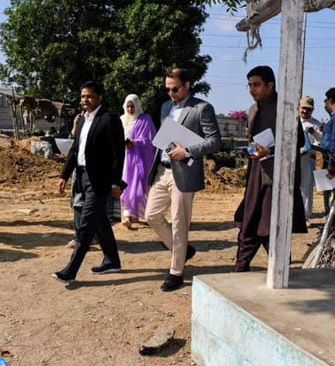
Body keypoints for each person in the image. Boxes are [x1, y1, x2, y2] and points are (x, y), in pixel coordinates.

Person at [145, 68, 222, 292]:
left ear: (187, 85)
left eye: (175, 88)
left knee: (180, 223)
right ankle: (183, 251)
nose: (171, 93)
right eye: (167, 88)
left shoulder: (202, 108)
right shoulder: (166, 107)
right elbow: (166, 135)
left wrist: (187, 151)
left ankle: (176, 273)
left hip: (184, 171)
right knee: (151, 215)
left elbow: (215, 141)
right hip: (162, 170)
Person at [233, 66, 307, 272]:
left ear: (270, 85)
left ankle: (280, 267)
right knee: (249, 222)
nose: (252, 89)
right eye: (250, 85)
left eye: (256, 85)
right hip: (257, 173)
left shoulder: (285, 109)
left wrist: (270, 150)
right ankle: (242, 266)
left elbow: (297, 140)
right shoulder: (254, 110)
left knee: (268, 226)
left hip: (277, 177)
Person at [53, 81, 126, 283]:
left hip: (100, 180)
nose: (85, 100)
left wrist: (116, 182)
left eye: (90, 96)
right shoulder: (83, 120)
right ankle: (112, 260)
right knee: (100, 221)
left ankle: (71, 270)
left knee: (85, 226)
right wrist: (64, 176)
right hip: (83, 177)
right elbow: (75, 150)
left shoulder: (109, 119)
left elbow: (118, 154)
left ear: (99, 98)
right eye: (83, 96)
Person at [119, 94, 157, 229]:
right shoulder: (121, 120)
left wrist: (135, 143)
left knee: (138, 187)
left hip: (140, 159)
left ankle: (139, 213)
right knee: (126, 185)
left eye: (132, 106)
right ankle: (128, 214)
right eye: (128, 106)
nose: (130, 109)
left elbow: (151, 140)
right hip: (124, 159)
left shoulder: (145, 120)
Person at [298, 95, 322, 225]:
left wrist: (314, 133)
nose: (305, 111)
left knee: (306, 186)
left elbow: (322, 142)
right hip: (292, 159)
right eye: (303, 108)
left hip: (307, 158)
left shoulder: (316, 124)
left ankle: (305, 216)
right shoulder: (292, 121)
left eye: (308, 109)